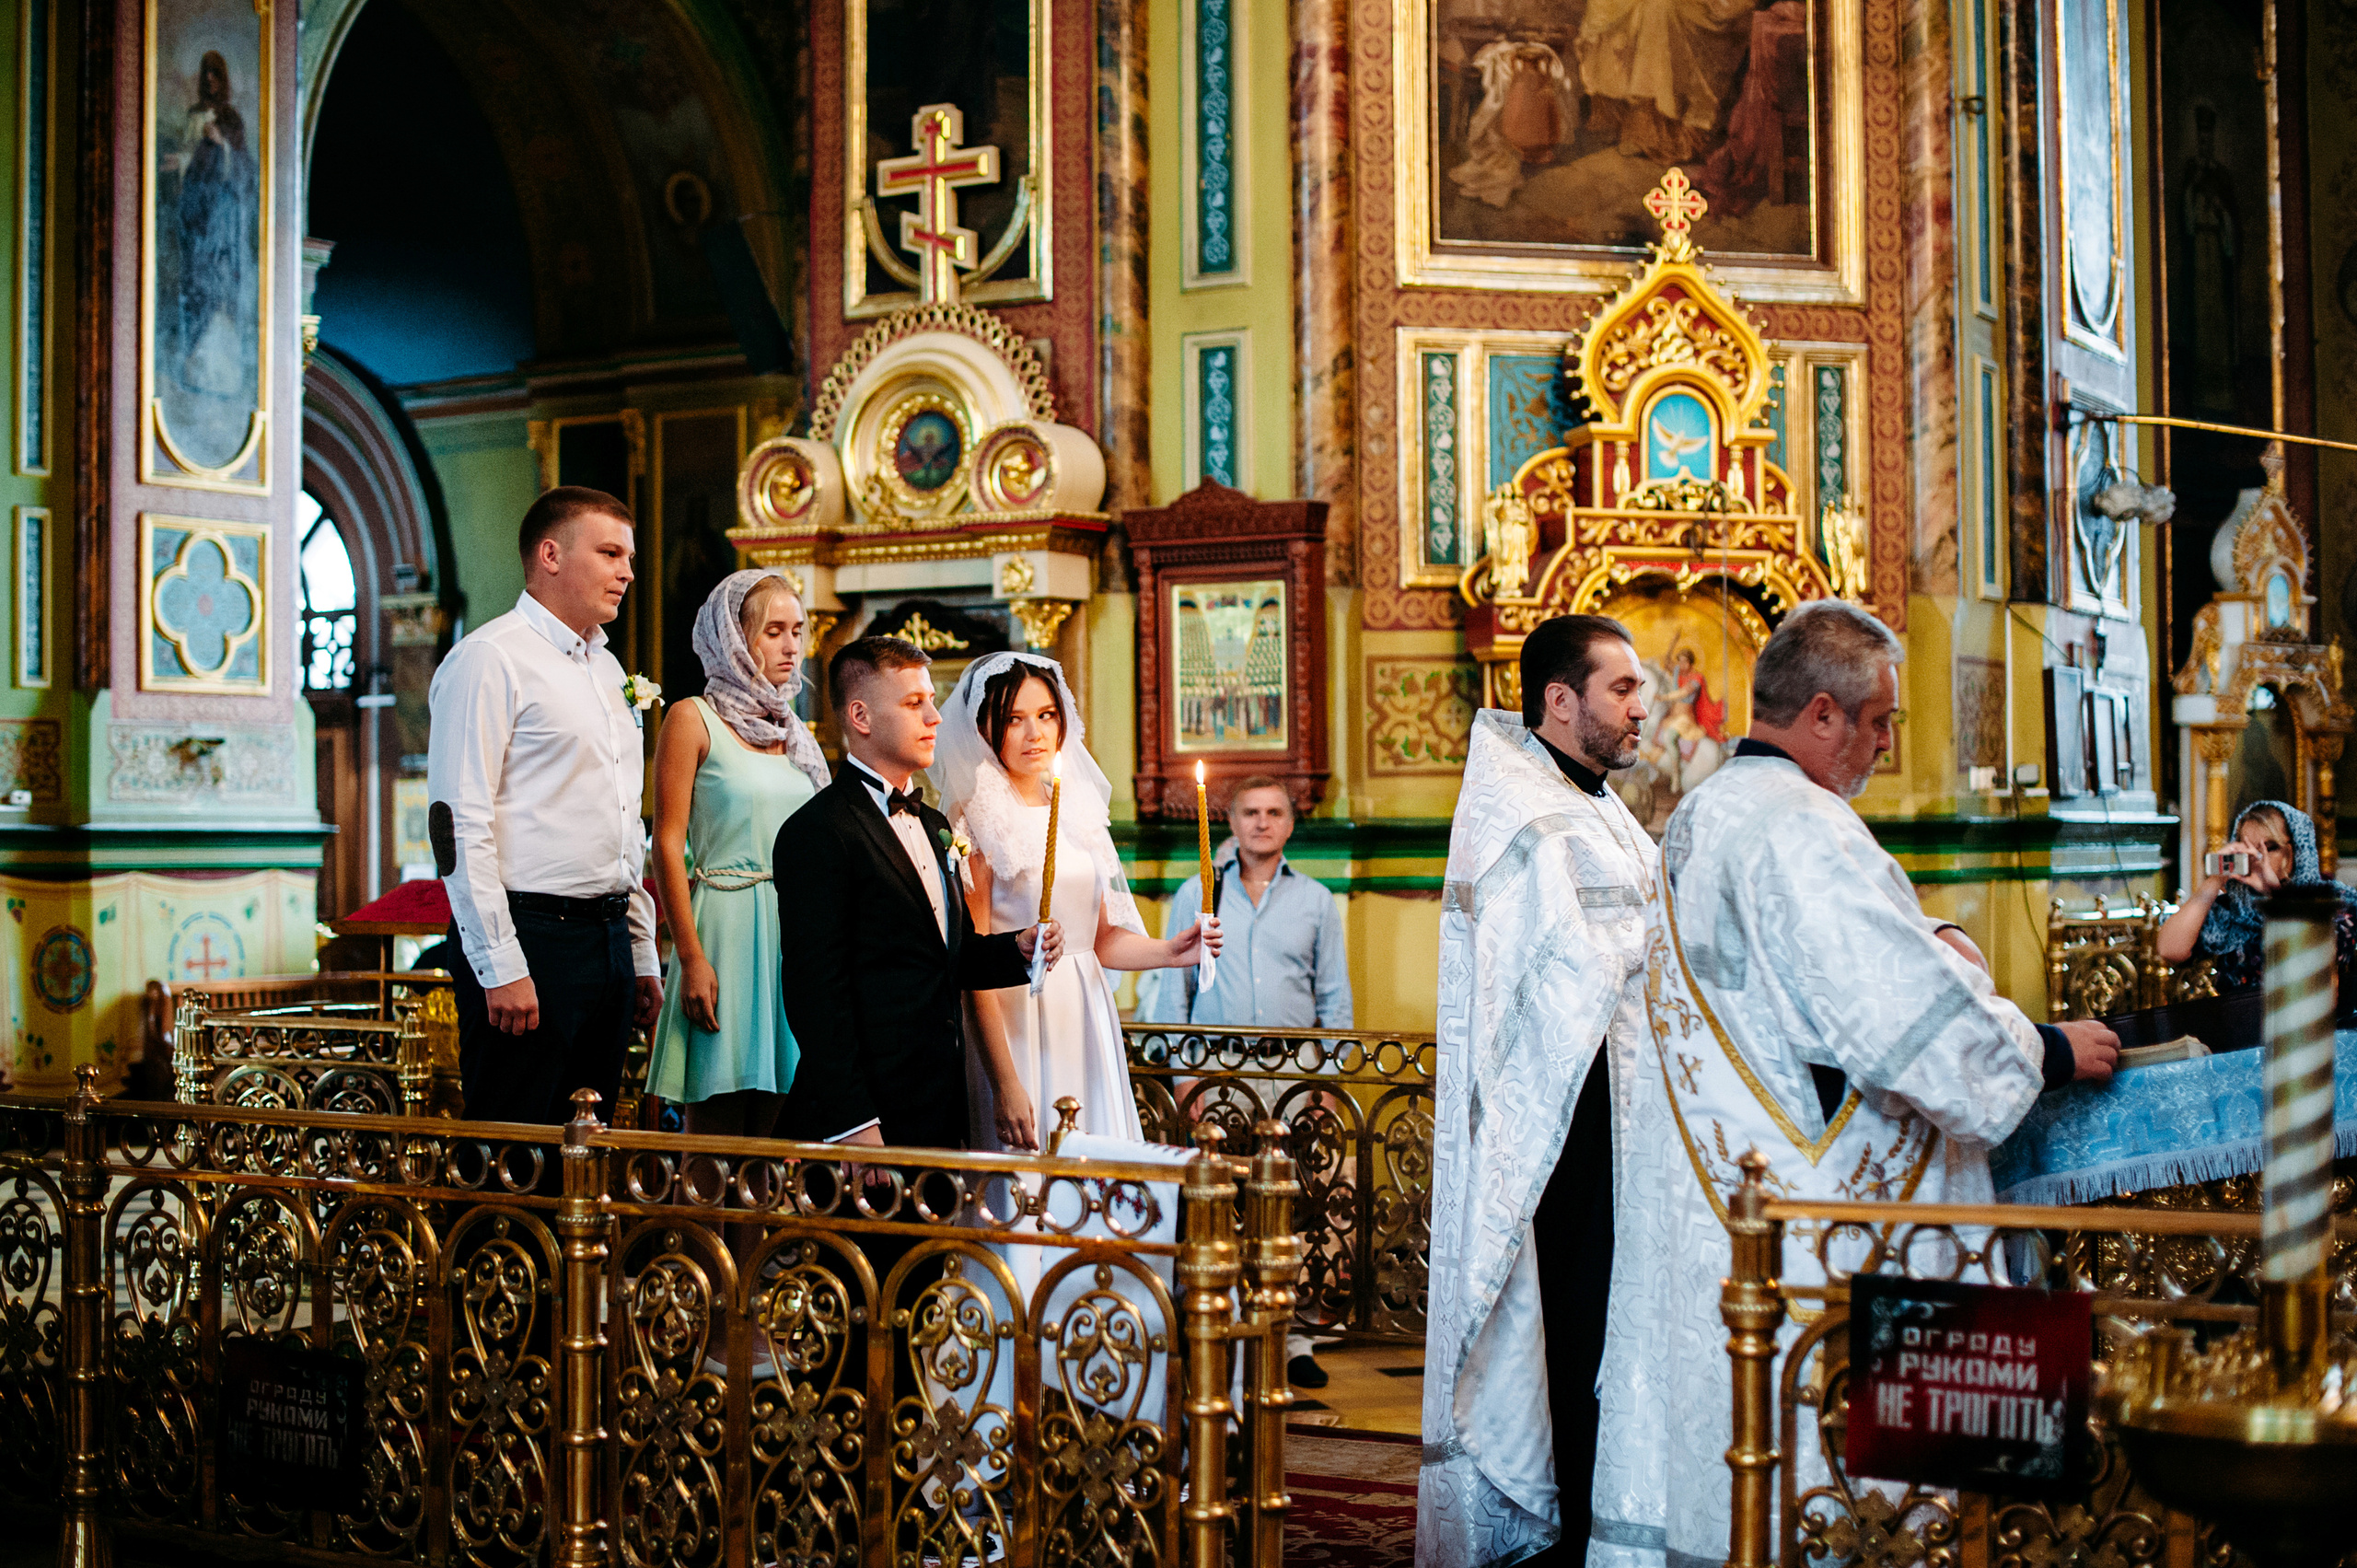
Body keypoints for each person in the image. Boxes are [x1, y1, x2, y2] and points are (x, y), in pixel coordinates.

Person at [1589, 600, 2120, 1568]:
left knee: (1740, 1464)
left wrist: (1928, 947)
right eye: (1878, 722)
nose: (1884, 745)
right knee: (1835, 1493)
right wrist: (2040, 1046)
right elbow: (1901, 1023)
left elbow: (1803, 991)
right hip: (1811, 1223)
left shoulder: (1704, 807)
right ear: (1823, 714)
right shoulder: (1803, 826)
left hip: (1729, 1196)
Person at [1419, 614, 1658, 1568]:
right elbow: (1557, 970)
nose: (1643, 708)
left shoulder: (1596, 801)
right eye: (1621, 690)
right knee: (1568, 1339)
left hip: (1615, 1115)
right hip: (1558, 1135)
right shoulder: (1521, 812)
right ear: (1560, 700)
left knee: (1609, 1336)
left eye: (1640, 688)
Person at [426, 486, 664, 1126]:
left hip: (607, 939)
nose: (627, 572)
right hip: (531, 938)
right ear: (551, 554)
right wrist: (500, 964)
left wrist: (638, 953)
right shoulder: (490, 658)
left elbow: (623, 824)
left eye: (630, 556)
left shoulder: (611, 672)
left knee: (589, 1150)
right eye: (611, 552)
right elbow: (457, 822)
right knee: (514, 1155)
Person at [772, 635, 1062, 1154]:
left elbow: (947, 956)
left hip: (937, 1105)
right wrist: (855, 1123)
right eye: (913, 704)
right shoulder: (816, 831)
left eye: (931, 701)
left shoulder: (932, 825)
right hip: (866, 1122)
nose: (935, 717)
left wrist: (1015, 949)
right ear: (860, 717)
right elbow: (815, 994)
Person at [933, 651, 1220, 1155]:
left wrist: (1174, 950)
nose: (1034, 734)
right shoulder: (974, 814)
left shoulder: (1076, 808)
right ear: (983, 728)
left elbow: (1103, 941)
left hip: (1085, 1010)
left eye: (1045, 716)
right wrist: (1005, 1082)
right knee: (1030, 1175)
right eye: (1014, 720)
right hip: (1017, 1018)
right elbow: (972, 963)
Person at [1138, 772, 1351, 1388]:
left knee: (1295, 1208)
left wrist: (1324, 1084)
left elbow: (1334, 1002)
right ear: (1229, 822)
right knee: (1223, 1206)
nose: (1262, 821)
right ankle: (1224, 1330)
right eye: (1251, 812)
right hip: (1217, 1074)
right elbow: (1170, 997)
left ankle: (1295, 1339)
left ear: (1289, 823)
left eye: (1274, 811)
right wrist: (1185, 1078)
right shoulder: (1196, 893)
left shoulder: (1315, 900)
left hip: (1291, 1072)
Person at [645, 571, 831, 1138]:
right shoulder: (692, 717)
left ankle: (760, 1234)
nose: (791, 645)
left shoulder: (796, 733)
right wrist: (691, 956)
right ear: (734, 638)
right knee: (718, 1126)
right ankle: (705, 1233)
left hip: (792, 934)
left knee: (781, 1132)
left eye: (797, 630)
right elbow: (667, 846)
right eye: (774, 630)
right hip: (723, 927)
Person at [2157, 797, 2357, 1017]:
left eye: (2269, 848)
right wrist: (2215, 879)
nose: (2256, 860)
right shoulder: (2233, 910)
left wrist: (2275, 895)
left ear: (2297, 851)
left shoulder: (2335, 900)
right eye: (2247, 850)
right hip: (2242, 1034)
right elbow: (2170, 949)